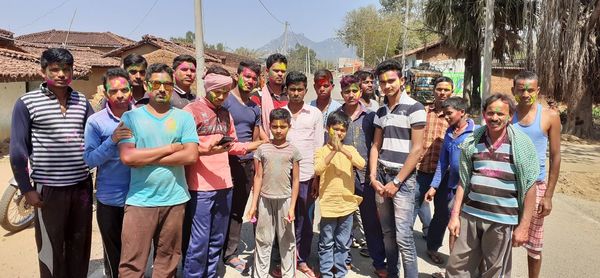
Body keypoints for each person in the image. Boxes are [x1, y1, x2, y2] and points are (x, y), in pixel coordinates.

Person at [10, 47, 94, 278]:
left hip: (81, 187)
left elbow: (94, 136)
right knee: (51, 248)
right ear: (42, 71)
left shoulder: (82, 101)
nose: (61, 74)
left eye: (66, 69)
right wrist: (26, 189)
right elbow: (18, 150)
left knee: (79, 244)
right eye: (54, 69)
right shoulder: (27, 103)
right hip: (48, 190)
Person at [117, 63, 199, 277]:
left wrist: (144, 157)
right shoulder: (131, 118)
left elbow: (191, 155)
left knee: (168, 262)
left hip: (175, 200)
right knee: (132, 264)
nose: (162, 89)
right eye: (157, 83)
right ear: (147, 85)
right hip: (140, 201)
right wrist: (170, 149)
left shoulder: (184, 118)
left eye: (167, 84)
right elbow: (127, 157)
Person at [445, 93, 539, 277]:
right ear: (483, 114)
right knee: (456, 268)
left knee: (494, 272)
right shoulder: (472, 142)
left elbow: (530, 187)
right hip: (470, 216)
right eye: (490, 113)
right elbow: (464, 181)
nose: (494, 118)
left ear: (510, 116)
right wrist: (455, 216)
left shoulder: (521, 145)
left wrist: (524, 227)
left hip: (501, 221)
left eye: (500, 114)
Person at [182, 69, 263, 277]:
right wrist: (210, 145)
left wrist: (258, 144)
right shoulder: (191, 111)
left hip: (225, 184)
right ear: (208, 88)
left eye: (225, 92)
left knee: (217, 238)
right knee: (199, 240)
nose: (221, 96)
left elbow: (234, 145)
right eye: (217, 92)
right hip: (200, 186)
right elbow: (185, 147)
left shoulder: (226, 114)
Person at [369, 59, 426, 278]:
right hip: (382, 176)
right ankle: (392, 273)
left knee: (404, 237)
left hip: (403, 180)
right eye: (383, 82)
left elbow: (417, 150)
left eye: (391, 81)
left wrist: (397, 182)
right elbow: (376, 145)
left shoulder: (415, 108)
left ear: (401, 80)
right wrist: (374, 177)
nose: (387, 86)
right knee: (388, 234)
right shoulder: (381, 111)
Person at [83, 68, 134, 278]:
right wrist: (112, 141)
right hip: (110, 200)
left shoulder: (143, 115)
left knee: (136, 253)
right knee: (114, 255)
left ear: (131, 90)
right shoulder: (95, 122)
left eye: (124, 89)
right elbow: (90, 160)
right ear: (106, 93)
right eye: (114, 91)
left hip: (140, 197)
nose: (120, 95)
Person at [511, 71, 561, 278]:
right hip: (508, 185)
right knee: (502, 237)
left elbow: (556, 156)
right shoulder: (506, 114)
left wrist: (548, 195)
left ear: (537, 91)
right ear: (513, 90)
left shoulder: (550, 116)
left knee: (534, 245)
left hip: (536, 186)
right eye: (521, 89)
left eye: (530, 90)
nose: (525, 94)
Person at [337, 75, 388, 277]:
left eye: (354, 91)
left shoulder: (371, 116)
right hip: (341, 178)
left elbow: (377, 146)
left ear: (360, 92)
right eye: (347, 91)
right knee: (344, 222)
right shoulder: (335, 116)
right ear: (341, 93)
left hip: (366, 177)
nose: (351, 95)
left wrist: (374, 174)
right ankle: (344, 259)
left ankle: (379, 262)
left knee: (371, 223)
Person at [221, 60, 268, 272]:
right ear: (237, 76)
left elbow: (257, 137)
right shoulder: (225, 100)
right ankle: (214, 251)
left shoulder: (255, 108)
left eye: (253, 78)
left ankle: (230, 253)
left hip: (246, 164)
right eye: (246, 76)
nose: (249, 81)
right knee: (220, 210)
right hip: (224, 162)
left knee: (237, 211)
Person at [423, 97, 476, 273]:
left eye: (449, 114)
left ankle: (453, 269)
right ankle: (433, 248)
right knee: (441, 217)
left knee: (458, 227)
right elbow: (442, 162)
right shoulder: (449, 132)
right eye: (444, 114)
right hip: (448, 185)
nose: (446, 117)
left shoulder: (475, 133)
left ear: (462, 112)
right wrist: (434, 186)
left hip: (466, 188)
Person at [247, 108, 302, 278]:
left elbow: (296, 180)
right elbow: (258, 177)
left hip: (285, 200)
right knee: (263, 239)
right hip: (264, 200)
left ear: (289, 127)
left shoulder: (293, 151)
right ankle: (260, 274)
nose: (278, 130)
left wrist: (292, 207)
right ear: (269, 126)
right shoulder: (262, 150)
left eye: (282, 126)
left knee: (287, 240)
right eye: (275, 126)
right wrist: (253, 205)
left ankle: (288, 273)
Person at [283, 71, 324, 277]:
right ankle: (285, 259)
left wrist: (317, 178)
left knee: (306, 220)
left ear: (306, 91)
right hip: (283, 176)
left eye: (300, 89)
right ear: (286, 90)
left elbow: (319, 147)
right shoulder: (280, 113)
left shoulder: (315, 114)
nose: (296, 93)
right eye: (292, 89)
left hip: (307, 175)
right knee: (284, 219)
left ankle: (302, 259)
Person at [315, 111, 366, 277]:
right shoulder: (322, 151)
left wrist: (342, 149)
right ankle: (326, 272)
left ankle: (341, 272)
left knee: (343, 243)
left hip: (347, 205)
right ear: (327, 129)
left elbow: (361, 163)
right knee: (326, 242)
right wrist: (333, 151)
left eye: (342, 130)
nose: (338, 133)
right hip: (329, 205)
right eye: (335, 129)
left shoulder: (349, 148)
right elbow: (317, 169)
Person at [414, 76, 452, 260]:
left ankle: (433, 247)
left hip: (445, 175)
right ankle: (402, 247)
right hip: (420, 170)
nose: (442, 93)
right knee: (410, 208)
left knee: (442, 213)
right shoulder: (422, 111)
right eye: (439, 89)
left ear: (452, 92)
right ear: (434, 90)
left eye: (446, 90)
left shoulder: (455, 115)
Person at [251, 53, 288, 136]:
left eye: (283, 71)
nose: (280, 74)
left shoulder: (290, 96)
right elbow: (255, 124)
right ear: (267, 71)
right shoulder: (257, 96)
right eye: (276, 71)